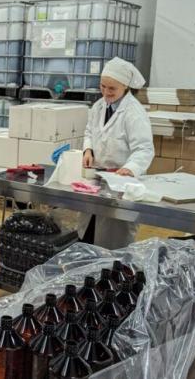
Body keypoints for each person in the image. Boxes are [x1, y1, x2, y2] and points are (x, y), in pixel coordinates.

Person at [81, 57, 154, 249]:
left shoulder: (133, 112)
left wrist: (130, 168)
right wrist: (88, 149)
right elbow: (90, 131)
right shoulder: (99, 106)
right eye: (103, 86)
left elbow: (144, 149)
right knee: (88, 235)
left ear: (125, 87)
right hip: (98, 180)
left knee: (113, 242)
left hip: (122, 184)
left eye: (112, 89)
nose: (106, 92)